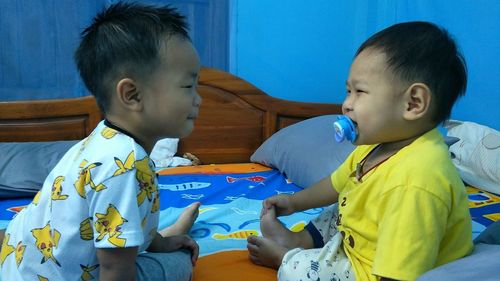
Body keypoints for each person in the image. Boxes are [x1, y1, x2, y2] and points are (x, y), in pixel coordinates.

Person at [247, 21, 473, 281]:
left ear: (413, 103)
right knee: (345, 205)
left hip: (376, 270)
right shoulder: (378, 147)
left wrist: (288, 263)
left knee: (296, 271)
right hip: (368, 240)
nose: (346, 105)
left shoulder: (417, 180)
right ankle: (298, 239)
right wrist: (294, 203)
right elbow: (336, 184)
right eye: (348, 91)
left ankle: (285, 256)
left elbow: (399, 276)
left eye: (359, 92)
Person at [0, 2, 202, 280]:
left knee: (155, 248)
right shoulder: (124, 165)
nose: (198, 98)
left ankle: (162, 238)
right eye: (188, 86)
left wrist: (161, 243)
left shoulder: (103, 140)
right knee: (180, 264)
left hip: (19, 262)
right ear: (132, 95)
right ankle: (167, 238)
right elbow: (114, 271)